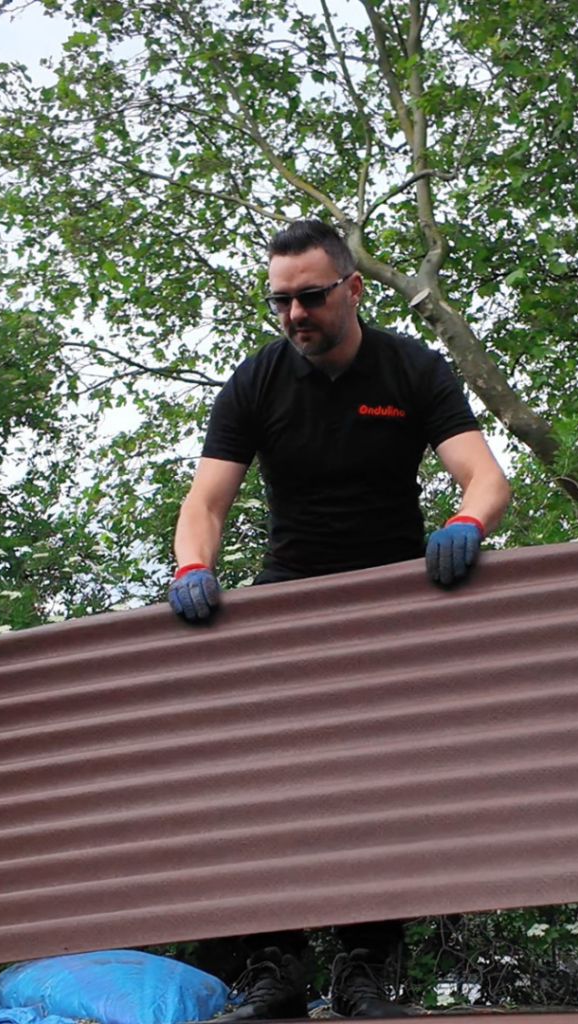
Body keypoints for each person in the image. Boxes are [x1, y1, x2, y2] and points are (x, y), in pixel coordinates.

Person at [168, 219, 510, 1019]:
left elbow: (484, 478)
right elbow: (206, 502)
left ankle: (362, 969)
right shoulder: (255, 382)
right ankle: (276, 967)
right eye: (280, 301)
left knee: (379, 786)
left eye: (311, 297)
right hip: (289, 598)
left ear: (352, 289)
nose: (295, 316)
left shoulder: (410, 368)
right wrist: (192, 567)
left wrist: (467, 525)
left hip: (392, 600)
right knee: (266, 783)